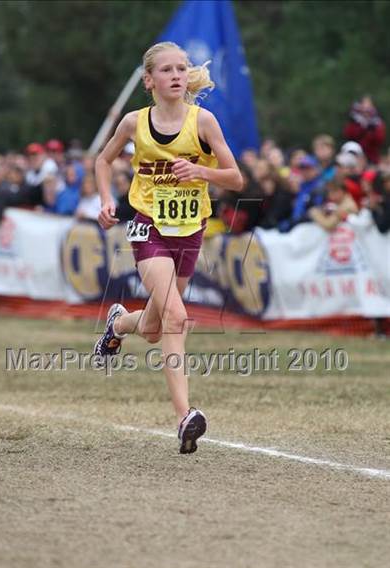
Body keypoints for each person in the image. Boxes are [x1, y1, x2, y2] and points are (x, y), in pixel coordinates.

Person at [94, 41, 243, 454]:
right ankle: (185, 418)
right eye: (166, 70)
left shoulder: (204, 122)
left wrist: (199, 170)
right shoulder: (134, 123)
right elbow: (102, 161)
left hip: (190, 231)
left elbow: (236, 178)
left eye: (182, 68)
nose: (176, 75)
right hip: (148, 228)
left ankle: (120, 323)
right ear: (149, 80)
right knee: (176, 315)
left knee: (156, 329)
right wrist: (106, 200)